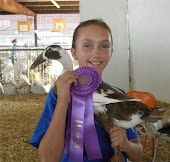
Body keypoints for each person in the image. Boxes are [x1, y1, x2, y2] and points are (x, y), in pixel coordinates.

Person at [30, 19, 143, 162]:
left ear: (111, 52)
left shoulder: (117, 95)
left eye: (104, 46)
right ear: (74, 52)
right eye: (87, 45)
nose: (96, 53)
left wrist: (126, 144)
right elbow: (48, 158)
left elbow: (138, 155)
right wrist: (63, 101)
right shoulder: (57, 97)